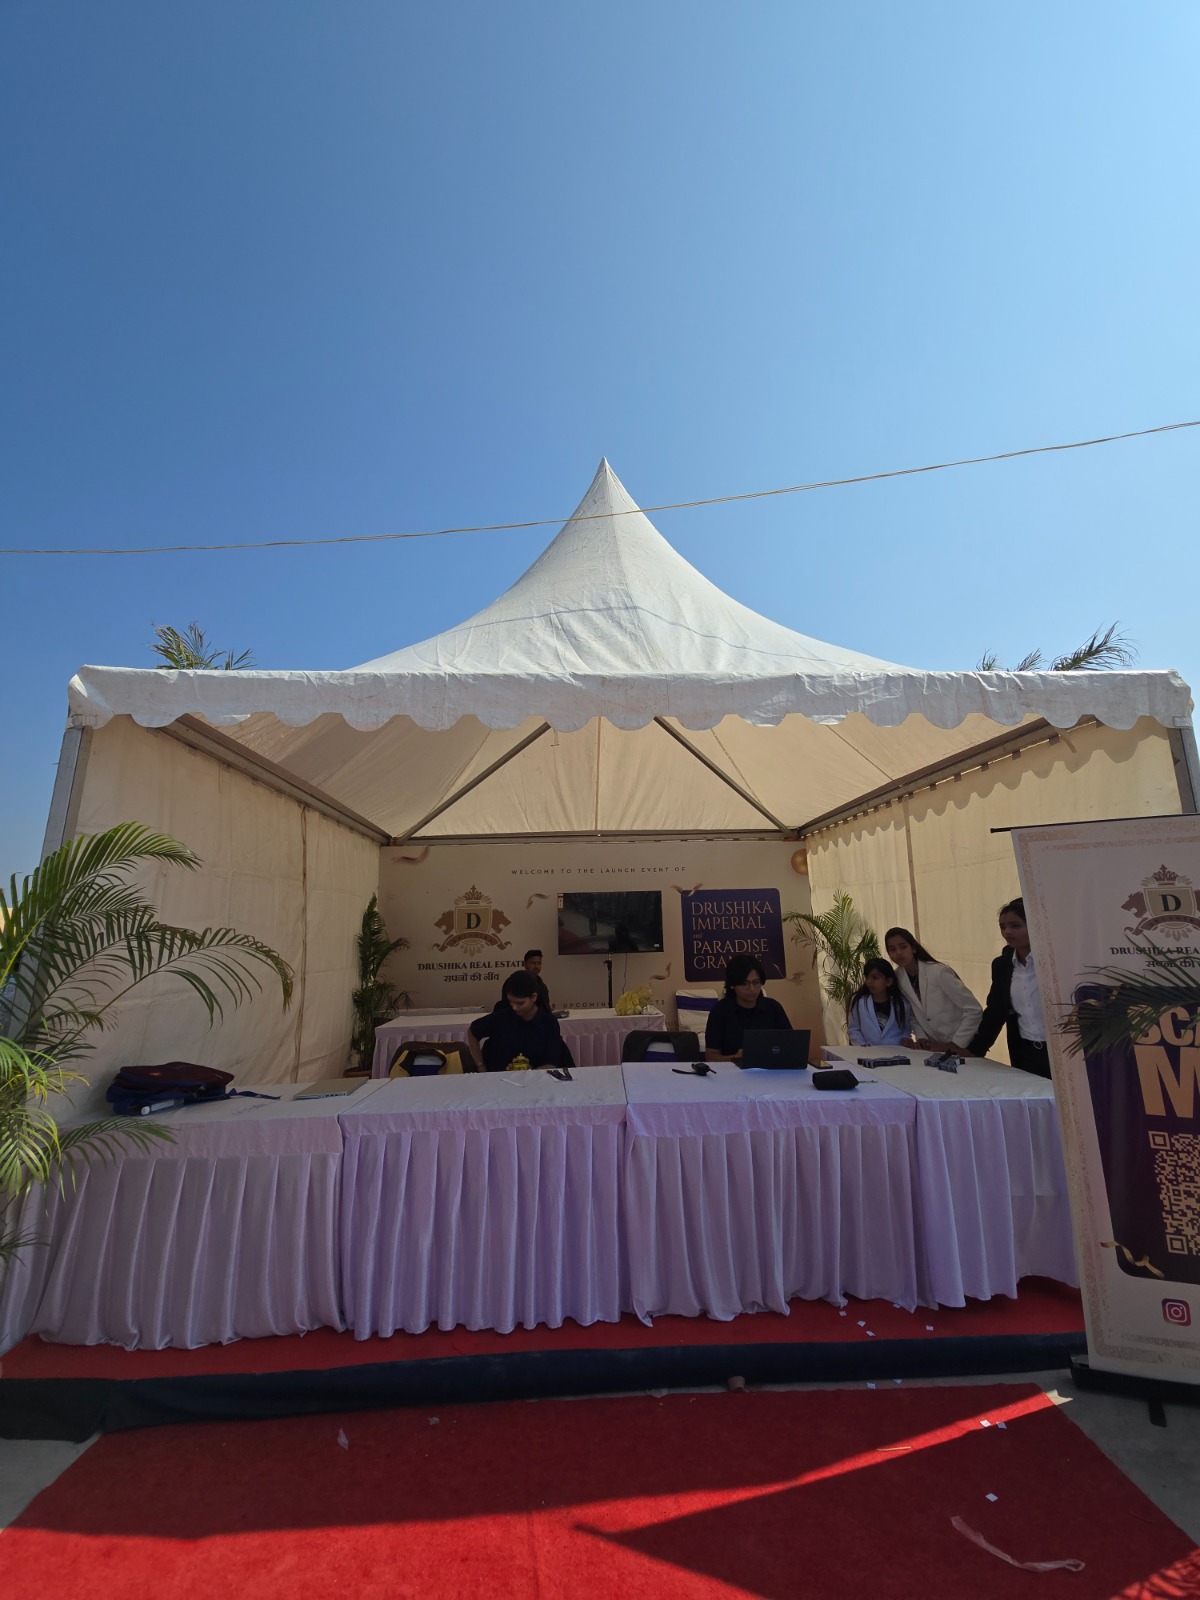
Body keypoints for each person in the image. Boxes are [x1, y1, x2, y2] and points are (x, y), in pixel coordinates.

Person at [966, 897, 1050, 1078]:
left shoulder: (1054, 962)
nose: (1007, 932)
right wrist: (976, 1049)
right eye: (1002, 927)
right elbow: (996, 1010)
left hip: (1063, 1051)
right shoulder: (1002, 965)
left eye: (1015, 926)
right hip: (1025, 1052)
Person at [883, 926, 982, 1052]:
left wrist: (956, 1043)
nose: (898, 953)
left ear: (913, 948)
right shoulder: (898, 978)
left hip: (964, 1045)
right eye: (892, 949)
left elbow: (973, 1009)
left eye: (903, 947)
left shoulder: (938, 972)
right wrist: (921, 1037)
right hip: (934, 1047)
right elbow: (912, 1014)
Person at [469, 971, 564, 1071]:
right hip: (500, 1077)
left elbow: (550, 1064)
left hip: (535, 1077)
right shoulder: (501, 1017)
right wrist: (480, 1065)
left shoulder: (549, 1022)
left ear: (533, 997)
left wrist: (526, 1076)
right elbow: (472, 1031)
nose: (514, 1007)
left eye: (520, 1003)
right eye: (511, 1002)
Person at [704, 954, 791, 1061]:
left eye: (756, 982)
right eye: (745, 984)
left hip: (770, 1067)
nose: (752, 988)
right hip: (732, 1069)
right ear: (732, 985)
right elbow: (711, 1056)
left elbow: (790, 1045)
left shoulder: (773, 1008)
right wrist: (736, 1058)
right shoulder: (720, 1011)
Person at [846, 958, 909, 1045]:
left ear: (889, 982)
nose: (869, 982)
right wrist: (862, 1045)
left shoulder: (901, 1003)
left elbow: (906, 1029)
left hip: (895, 1050)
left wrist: (905, 1040)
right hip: (866, 1050)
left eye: (875, 978)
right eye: (867, 977)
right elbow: (854, 1029)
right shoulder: (858, 1001)